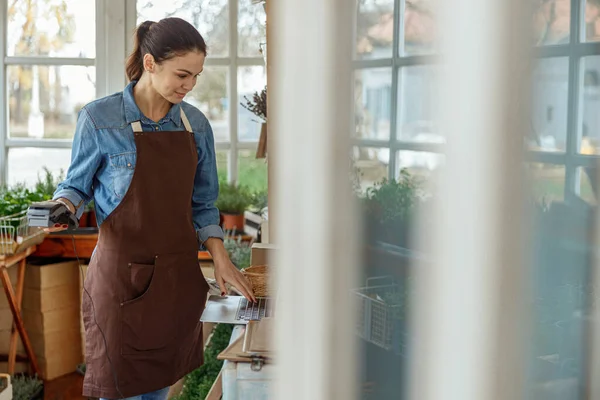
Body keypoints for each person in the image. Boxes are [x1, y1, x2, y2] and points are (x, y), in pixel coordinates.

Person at [48, 17, 256, 400]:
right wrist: (62, 207)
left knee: (158, 393)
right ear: (149, 64)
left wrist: (221, 258)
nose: (189, 85)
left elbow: (203, 203)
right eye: (182, 74)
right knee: (119, 390)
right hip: (119, 285)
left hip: (173, 283)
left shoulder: (196, 125)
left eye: (196, 76)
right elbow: (75, 187)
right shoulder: (99, 118)